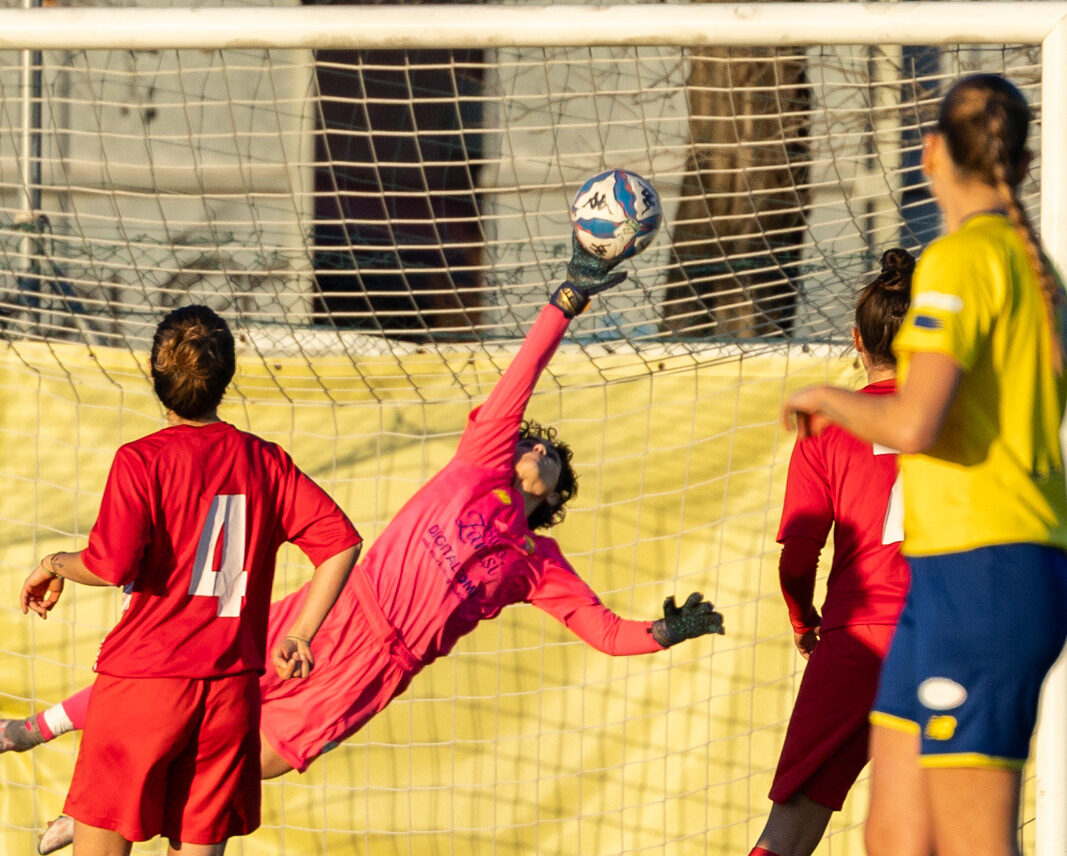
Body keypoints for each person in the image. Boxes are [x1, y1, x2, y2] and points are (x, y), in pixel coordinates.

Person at [7, 241, 725, 852]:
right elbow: (520, 378)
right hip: (347, 604)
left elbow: (601, 630)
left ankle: (105, 807)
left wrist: (664, 631)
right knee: (182, 659)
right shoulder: (479, 462)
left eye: (551, 454)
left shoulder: (535, 565)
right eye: (533, 439)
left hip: (380, 664)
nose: (538, 446)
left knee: (258, 757)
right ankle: (36, 732)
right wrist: (564, 300)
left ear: (556, 492)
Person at [782, 73, 1067, 856]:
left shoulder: (964, 259)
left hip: (986, 575)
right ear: (1025, 156)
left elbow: (913, 419)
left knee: (973, 842)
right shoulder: (1031, 268)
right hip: (944, 579)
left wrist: (826, 398)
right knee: (895, 838)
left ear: (931, 150)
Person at [17, 305, 362, 856]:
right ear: (226, 376)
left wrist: (54, 563)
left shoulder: (142, 460)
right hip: (228, 693)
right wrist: (299, 634)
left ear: (156, 374)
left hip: (142, 683)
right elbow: (341, 541)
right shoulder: (265, 461)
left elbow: (109, 566)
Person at [748, 249, 914, 856]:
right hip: (948, 631)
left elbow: (799, 554)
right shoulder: (964, 417)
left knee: (789, 828)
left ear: (855, 340)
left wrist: (805, 619)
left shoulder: (826, 427)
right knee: (963, 824)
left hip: (858, 637)